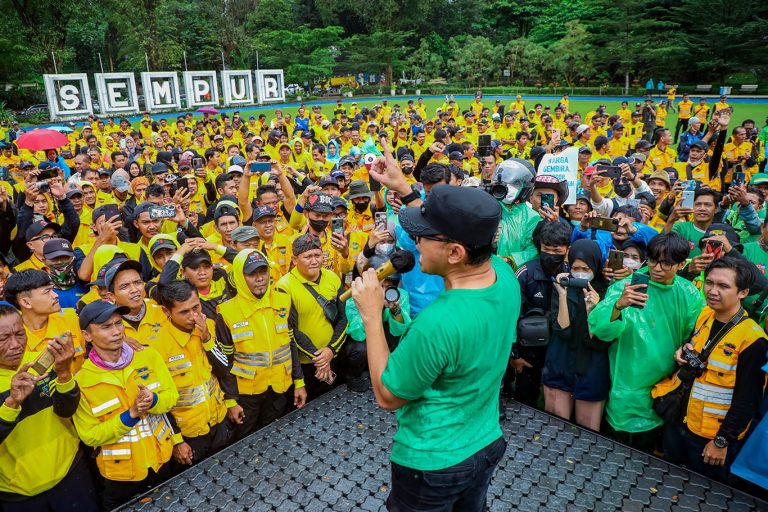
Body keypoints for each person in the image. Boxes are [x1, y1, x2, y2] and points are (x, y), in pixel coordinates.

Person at [352, 148, 518, 510]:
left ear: (456, 252)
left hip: (432, 463)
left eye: (423, 236)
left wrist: (370, 315)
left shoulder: (436, 324)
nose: (414, 243)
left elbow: (387, 395)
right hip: (485, 441)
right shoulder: (504, 275)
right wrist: (406, 190)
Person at [588, 233, 704, 452]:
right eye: (652, 260)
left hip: (664, 385)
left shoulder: (689, 293)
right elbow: (601, 329)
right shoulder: (625, 287)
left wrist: (686, 346)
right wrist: (618, 306)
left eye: (666, 263)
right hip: (627, 380)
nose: (657, 268)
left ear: (681, 264)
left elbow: (697, 331)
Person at [656, 257, 767, 480]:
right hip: (679, 420)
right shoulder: (706, 314)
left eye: (723, 286)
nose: (713, 291)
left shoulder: (753, 339)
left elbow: (748, 400)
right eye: (709, 283)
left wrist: (721, 441)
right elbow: (697, 344)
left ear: (743, 292)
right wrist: (683, 350)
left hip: (709, 438)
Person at [72, 300, 178, 510]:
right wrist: (131, 414)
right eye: (106, 327)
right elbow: (90, 435)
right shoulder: (81, 382)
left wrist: (154, 400)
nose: (116, 331)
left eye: (118, 324)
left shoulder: (148, 356)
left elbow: (172, 396)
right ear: (87, 336)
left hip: (162, 461)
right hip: (121, 478)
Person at [0, 305, 99, 511]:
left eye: (20, 334)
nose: (15, 344)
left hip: (71, 475)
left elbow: (66, 410)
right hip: (18, 494)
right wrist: (11, 404)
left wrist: (63, 373)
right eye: (3, 338)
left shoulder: (39, 365)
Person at [214, 249, 307, 439]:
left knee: (277, 438)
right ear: (240, 277)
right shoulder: (226, 312)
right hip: (246, 397)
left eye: (263, 271)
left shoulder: (284, 301)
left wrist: (299, 382)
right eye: (251, 274)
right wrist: (231, 401)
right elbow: (225, 363)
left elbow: (291, 345)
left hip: (279, 390)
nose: (259, 278)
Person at [149, 281, 234, 468]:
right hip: (190, 435)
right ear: (166, 312)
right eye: (184, 312)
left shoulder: (208, 326)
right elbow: (158, 403)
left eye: (196, 307)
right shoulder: (156, 347)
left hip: (219, 421)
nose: (193, 316)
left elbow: (224, 370)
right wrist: (177, 440)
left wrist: (207, 340)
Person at [543, 239, 611, 431]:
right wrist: (563, 294)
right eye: (576, 267)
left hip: (591, 367)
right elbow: (562, 330)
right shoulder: (562, 286)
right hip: (560, 361)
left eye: (586, 267)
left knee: (587, 433)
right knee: (554, 429)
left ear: (596, 265)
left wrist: (593, 308)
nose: (580, 272)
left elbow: (597, 340)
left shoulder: (606, 292)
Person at [276, 234, 348, 399]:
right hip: (305, 365)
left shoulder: (332, 278)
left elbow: (344, 318)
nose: (314, 261)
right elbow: (290, 330)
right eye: (308, 257)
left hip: (333, 355)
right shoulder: (284, 287)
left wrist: (330, 350)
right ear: (294, 260)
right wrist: (320, 359)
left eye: (318, 255)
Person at [512, 221, 573, 407]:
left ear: (567, 249)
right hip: (527, 353)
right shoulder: (525, 273)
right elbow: (509, 316)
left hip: (559, 353)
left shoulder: (572, 274)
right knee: (524, 402)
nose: (551, 255)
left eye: (557, 251)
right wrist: (514, 356)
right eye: (547, 249)